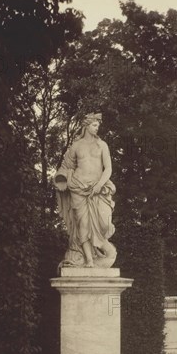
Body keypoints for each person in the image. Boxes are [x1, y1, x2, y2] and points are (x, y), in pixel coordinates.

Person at [54, 113, 116, 268]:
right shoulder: (76, 146)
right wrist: (61, 178)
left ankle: (101, 252)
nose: (97, 128)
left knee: (105, 223)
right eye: (94, 125)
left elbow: (108, 168)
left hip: (98, 188)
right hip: (78, 188)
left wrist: (100, 185)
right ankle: (89, 260)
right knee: (83, 225)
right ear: (86, 126)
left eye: (98, 126)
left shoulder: (102, 145)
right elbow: (66, 167)